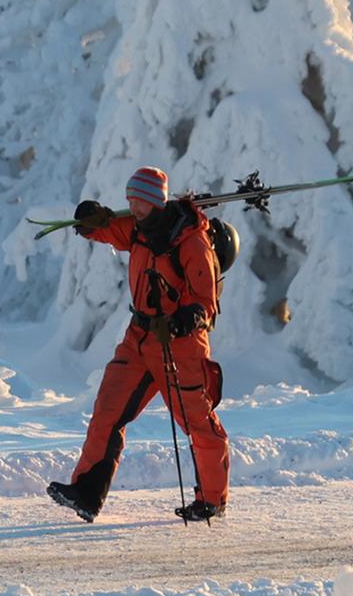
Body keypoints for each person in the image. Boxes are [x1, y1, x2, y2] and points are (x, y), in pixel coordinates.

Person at [47, 165, 231, 523]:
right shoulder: (137, 229)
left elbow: (205, 303)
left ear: (157, 202)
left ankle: (211, 500)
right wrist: (88, 218)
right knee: (108, 409)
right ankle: (86, 493)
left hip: (181, 346)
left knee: (197, 423)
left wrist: (179, 321)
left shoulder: (192, 242)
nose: (133, 207)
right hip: (138, 339)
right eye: (130, 200)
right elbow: (102, 230)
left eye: (140, 202)